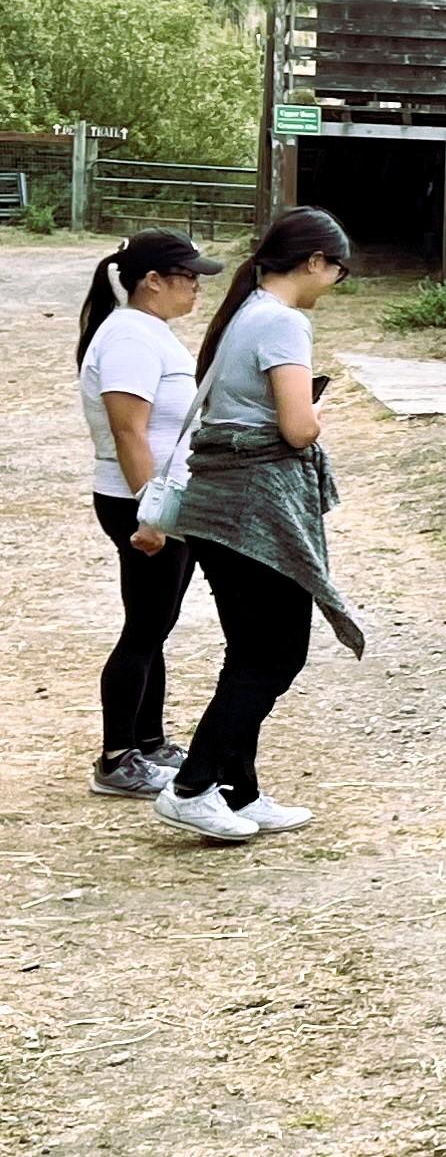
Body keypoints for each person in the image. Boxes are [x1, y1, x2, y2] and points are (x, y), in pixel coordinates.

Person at [154, 209, 364, 844]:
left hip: (222, 503)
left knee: (252, 651)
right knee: (275, 655)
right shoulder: (281, 322)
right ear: (311, 263)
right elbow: (297, 426)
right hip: (256, 504)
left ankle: (237, 791)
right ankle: (192, 786)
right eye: (337, 269)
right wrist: (320, 417)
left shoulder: (245, 312)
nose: (335, 281)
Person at [76, 229, 225, 798]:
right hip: (142, 503)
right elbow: (127, 430)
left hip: (165, 502)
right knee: (142, 629)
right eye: (188, 278)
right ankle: (117, 758)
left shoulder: (148, 332)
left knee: (155, 625)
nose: (196, 288)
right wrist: (150, 511)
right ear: (151, 282)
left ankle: (149, 740)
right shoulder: (130, 339)